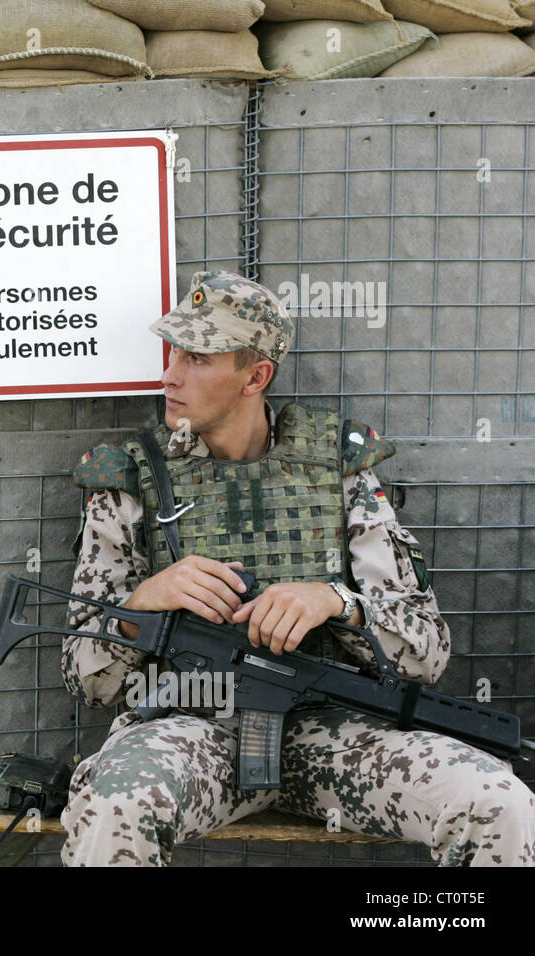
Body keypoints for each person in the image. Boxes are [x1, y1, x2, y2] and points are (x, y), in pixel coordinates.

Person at [59, 270, 534, 866]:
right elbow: (87, 679)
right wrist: (141, 605)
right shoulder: (130, 479)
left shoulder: (337, 466)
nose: (170, 375)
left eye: (199, 358)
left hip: (333, 730)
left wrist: (337, 602)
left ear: (256, 376)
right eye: (173, 351)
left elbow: (427, 652)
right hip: (188, 727)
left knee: (498, 801)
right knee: (113, 803)